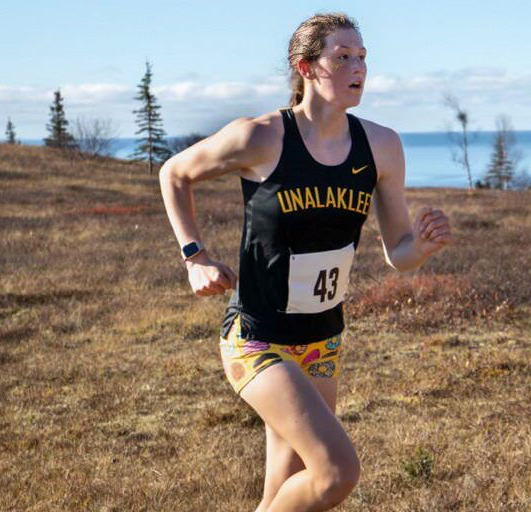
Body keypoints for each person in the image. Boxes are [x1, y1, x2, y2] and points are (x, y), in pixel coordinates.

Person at [158, 12, 452, 511]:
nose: (358, 67)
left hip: (322, 342)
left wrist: (420, 249)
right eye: (342, 57)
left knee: (285, 492)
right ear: (306, 67)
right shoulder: (261, 137)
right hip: (255, 335)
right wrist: (195, 257)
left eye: (362, 57)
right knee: (336, 471)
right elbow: (174, 173)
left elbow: (397, 251)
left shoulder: (381, 146)